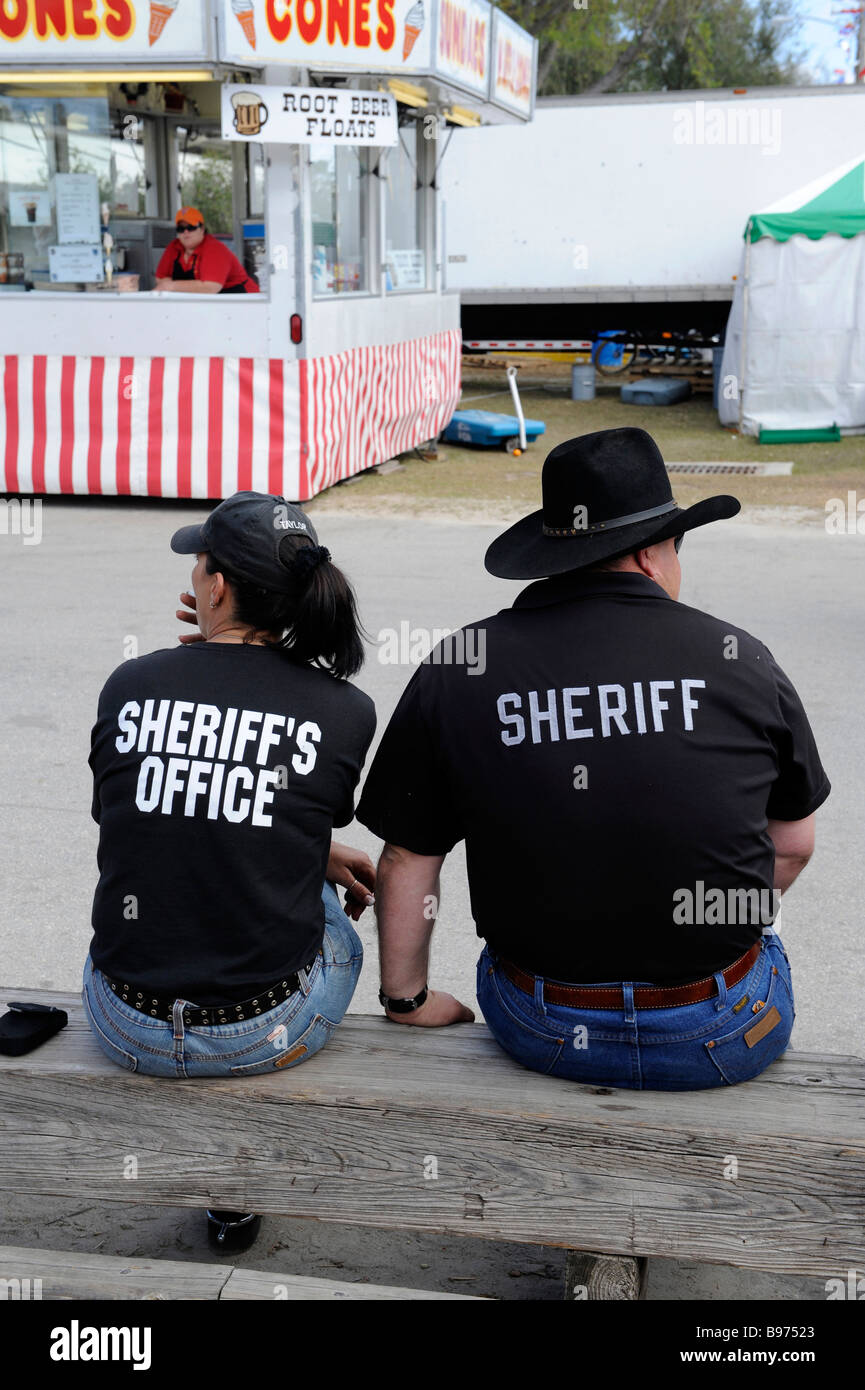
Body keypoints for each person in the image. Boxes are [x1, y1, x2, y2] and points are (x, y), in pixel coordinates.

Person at [356, 427, 831, 1091]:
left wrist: (405, 1000)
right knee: (759, 939)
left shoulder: (463, 665)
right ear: (645, 556)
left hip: (543, 1025)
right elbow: (793, 847)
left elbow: (407, 856)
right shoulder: (740, 658)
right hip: (719, 1029)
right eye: (676, 543)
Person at [83, 491, 376, 1247]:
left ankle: (222, 1179)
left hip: (125, 1022)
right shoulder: (345, 709)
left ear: (213, 586)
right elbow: (275, 809)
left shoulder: (131, 684)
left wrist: (196, 664)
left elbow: (139, 824)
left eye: (200, 565)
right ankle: (234, 1178)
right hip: (264, 1029)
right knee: (323, 907)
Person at [153, 207, 260, 294]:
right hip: (208, 303)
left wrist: (172, 285)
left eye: (191, 227)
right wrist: (192, 286)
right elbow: (160, 279)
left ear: (202, 229)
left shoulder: (215, 249)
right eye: (180, 229)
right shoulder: (174, 247)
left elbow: (211, 287)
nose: (186, 232)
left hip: (244, 300)